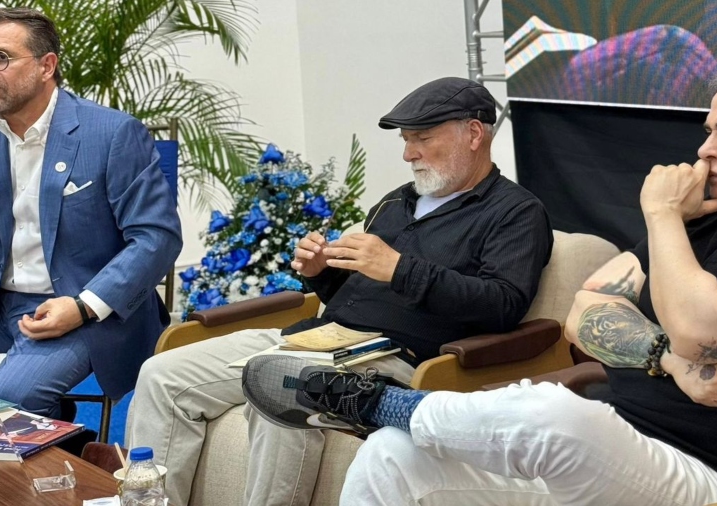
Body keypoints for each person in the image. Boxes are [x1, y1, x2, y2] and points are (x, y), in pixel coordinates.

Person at [243, 66, 717, 505]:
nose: (705, 150)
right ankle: (384, 414)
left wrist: (660, 215)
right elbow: (585, 314)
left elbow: (702, 327)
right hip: (606, 453)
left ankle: (381, 403)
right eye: (707, 131)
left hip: (710, 477)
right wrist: (667, 359)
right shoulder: (702, 225)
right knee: (392, 454)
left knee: (558, 414)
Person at [125, 76, 553, 506]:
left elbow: (503, 305)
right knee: (161, 374)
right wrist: (321, 273)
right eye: (406, 140)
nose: (408, 154)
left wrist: (400, 268)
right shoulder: (396, 202)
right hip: (317, 338)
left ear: (474, 134)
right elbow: (360, 295)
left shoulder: (516, 212)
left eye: (422, 138)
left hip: (393, 358)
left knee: (278, 388)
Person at [0, 8, 182, 419]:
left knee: (4, 402)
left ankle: (60, 441)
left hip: (86, 309)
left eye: (0, 57)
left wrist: (84, 306)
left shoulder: (111, 133)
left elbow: (157, 237)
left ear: (46, 65)